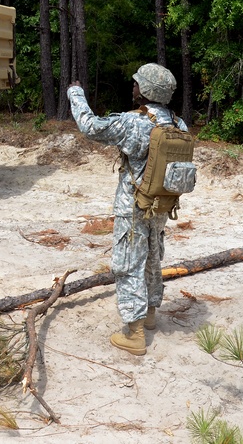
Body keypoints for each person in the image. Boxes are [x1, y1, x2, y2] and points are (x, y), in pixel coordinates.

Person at [67, 64, 188, 356]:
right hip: (161, 204)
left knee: (128, 264)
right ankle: (149, 314)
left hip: (133, 206)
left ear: (146, 91)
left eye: (136, 84)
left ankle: (133, 334)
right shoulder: (178, 124)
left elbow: (90, 126)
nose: (131, 87)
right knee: (153, 258)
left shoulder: (134, 122)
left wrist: (75, 93)